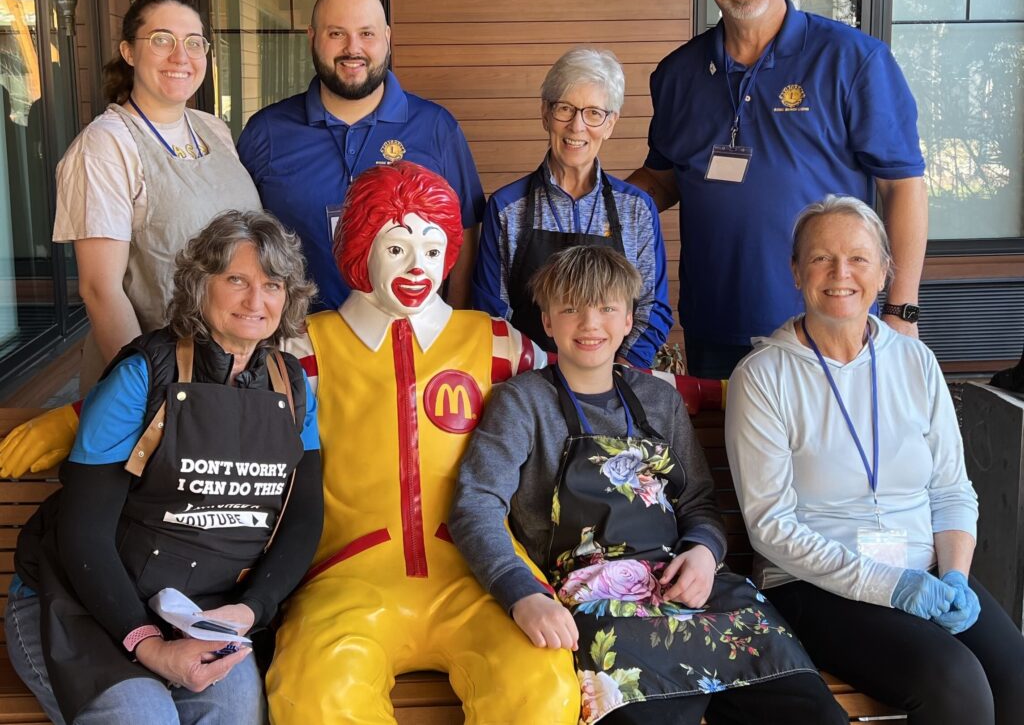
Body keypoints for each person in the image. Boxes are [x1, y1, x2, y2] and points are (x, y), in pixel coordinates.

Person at [451, 245, 846, 725]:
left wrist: (704, 553)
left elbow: (698, 502)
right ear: (548, 321)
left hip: (692, 590)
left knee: (813, 711)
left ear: (628, 320)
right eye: (571, 308)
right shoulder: (522, 402)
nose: (590, 323)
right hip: (592, 605)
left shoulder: (659, 400)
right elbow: (475, 506)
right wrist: (522, 595)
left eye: (606, 308)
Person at [266, 162, 579, 724]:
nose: (418, 267)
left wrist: (711, 389)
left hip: (481, 571)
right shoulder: (304, 348)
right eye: (396, 248)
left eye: (433, 250)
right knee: (316, 695)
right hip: (345, 577)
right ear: (361, 247)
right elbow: (222, 423)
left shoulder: (496, 343)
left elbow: (588, 384)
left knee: (541, 688)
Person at [4, 210, 324, 725]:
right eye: (236, 280)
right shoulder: (143, 376)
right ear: (200, 285)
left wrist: (251, 609)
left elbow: (304, 519)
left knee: (236, 713)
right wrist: (149, 645)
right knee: (143, 716)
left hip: (201, 611)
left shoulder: (291, 387)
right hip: (79, 604)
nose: (255, 301)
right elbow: (83, 534)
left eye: (272, 285)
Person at [724, 195, 1024, 725]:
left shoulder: (915, 360)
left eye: (859, 258)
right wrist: (893, 587)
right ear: (796, 271)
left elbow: (952, 489)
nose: (841, 273)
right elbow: (771, 526)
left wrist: (955, 575)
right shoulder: (763, 376)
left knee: (1016, 675)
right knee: (953, 681)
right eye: (821, 258)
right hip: (813, 585)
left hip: (926, 572)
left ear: (885, 271)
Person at [628, 0, 928, 379]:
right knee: (726, 431)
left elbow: (902, 185)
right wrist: (595, 206)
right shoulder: (677, 74)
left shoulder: (854, 60)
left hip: (830, 322)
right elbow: (663, 181)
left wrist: (901, 310)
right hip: (715, 326)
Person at [54, 0, 261, 393]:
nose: (181, 57)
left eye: (194, 43)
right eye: (162, 40)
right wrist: (150, 391)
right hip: (160, 376)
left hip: (233, 368)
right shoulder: (106, 145)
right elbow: (100, 289)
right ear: (129, 52)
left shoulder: (213, 129)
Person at [237, 0, 484, 311]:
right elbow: (240, 237)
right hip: (297, 333)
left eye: (366, 33)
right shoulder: (266, 132)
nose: (352, 48)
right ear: (312, 38)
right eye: (336, 33)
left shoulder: (436, 128)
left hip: (410, 334)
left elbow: (466, 230)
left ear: (387, 38)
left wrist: (452, 318)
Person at [472, 47, 672, 367]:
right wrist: (533, 380)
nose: (577, 126)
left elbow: (652, 308)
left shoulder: (637, 209)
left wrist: (617, 373)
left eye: (593, 113)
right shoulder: (507, 208)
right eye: (565, 109)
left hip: (614, 377)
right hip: (528, 378)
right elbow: (492, 313)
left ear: (610, 124)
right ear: (545, 114)